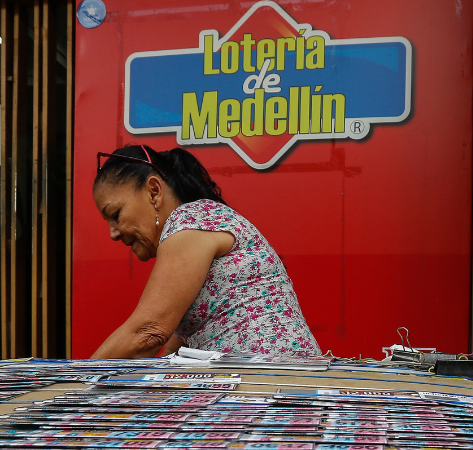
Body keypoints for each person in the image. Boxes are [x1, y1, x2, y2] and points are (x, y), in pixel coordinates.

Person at [89, 144, 321, 359]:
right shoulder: (200, 224)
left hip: (270, 380)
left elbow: (147, 333)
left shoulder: (190, 219)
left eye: (116, 214)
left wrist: (76, 381)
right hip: (277, 380)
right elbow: (170, 351)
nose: (113, 233)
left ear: (153, 191)